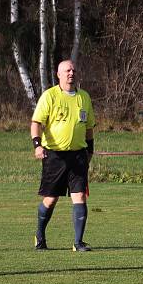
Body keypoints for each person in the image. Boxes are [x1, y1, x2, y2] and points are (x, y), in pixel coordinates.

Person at [31, 59, 96, 252]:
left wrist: (90, 151)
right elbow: (36, 123)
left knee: (80, 197)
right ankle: (40, 235)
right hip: (55, 156)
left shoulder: (84, 97)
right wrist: (37, 145)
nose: (71, 73)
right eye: (67, 70)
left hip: (78, 156)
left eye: (74, 70)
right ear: (59, 74)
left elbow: (89, 128)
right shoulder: (50, 96)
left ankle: (78, 242)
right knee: (51, 199)